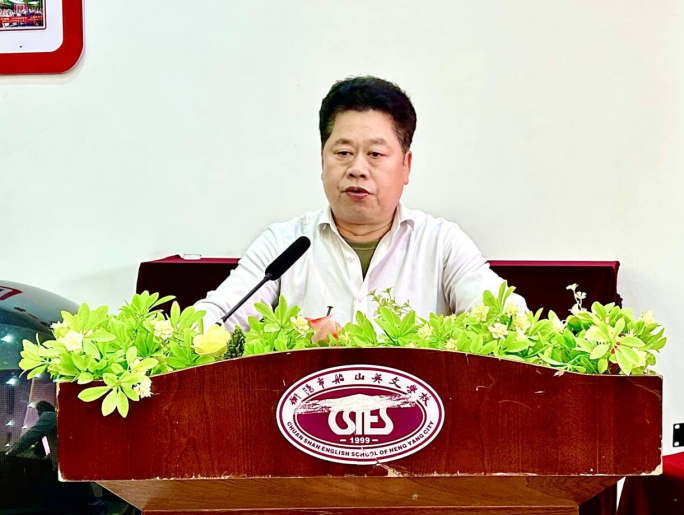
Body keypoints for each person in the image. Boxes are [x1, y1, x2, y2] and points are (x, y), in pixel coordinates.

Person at [195, 76, 526, 330]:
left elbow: (510, 323)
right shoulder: (282, 245)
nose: (357, 169)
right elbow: (216, 319)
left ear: (406, 166)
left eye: (375, 154)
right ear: (322, 161)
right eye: (343, 152)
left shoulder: (441, 244)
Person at [5, 401, 58, 469]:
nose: (38, 414)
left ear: (43, 409)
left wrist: (10, 452)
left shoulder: (48, 416)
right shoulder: (56, 418)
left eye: (38, 411)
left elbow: (29, 437)